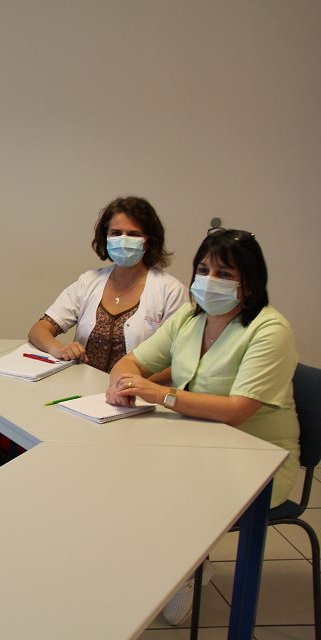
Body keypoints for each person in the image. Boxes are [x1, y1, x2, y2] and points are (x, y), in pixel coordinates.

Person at [106, 228, 299, 625]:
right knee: (119, 472)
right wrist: (121, 382)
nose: (210, 280)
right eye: (204, 269)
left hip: (256, 459)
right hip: (194, 440)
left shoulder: (269, 329)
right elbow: (133, 362)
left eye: (225, 273)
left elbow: (237, 411)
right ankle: (174, 560)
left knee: (157, 488)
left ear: (250, 283)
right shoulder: (192, 318)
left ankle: (186, 566)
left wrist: (161, 395)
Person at [28, 196, 187, 373]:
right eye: (116, 233)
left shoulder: (171, 291)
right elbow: (39, 330)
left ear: (148, 242)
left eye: (133, 234)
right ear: (106, 237)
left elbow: (179, 361)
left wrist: (134, 386)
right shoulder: (89, 281)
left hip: (138, 394)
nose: (123, 240)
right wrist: (58, 349)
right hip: (80, 390)